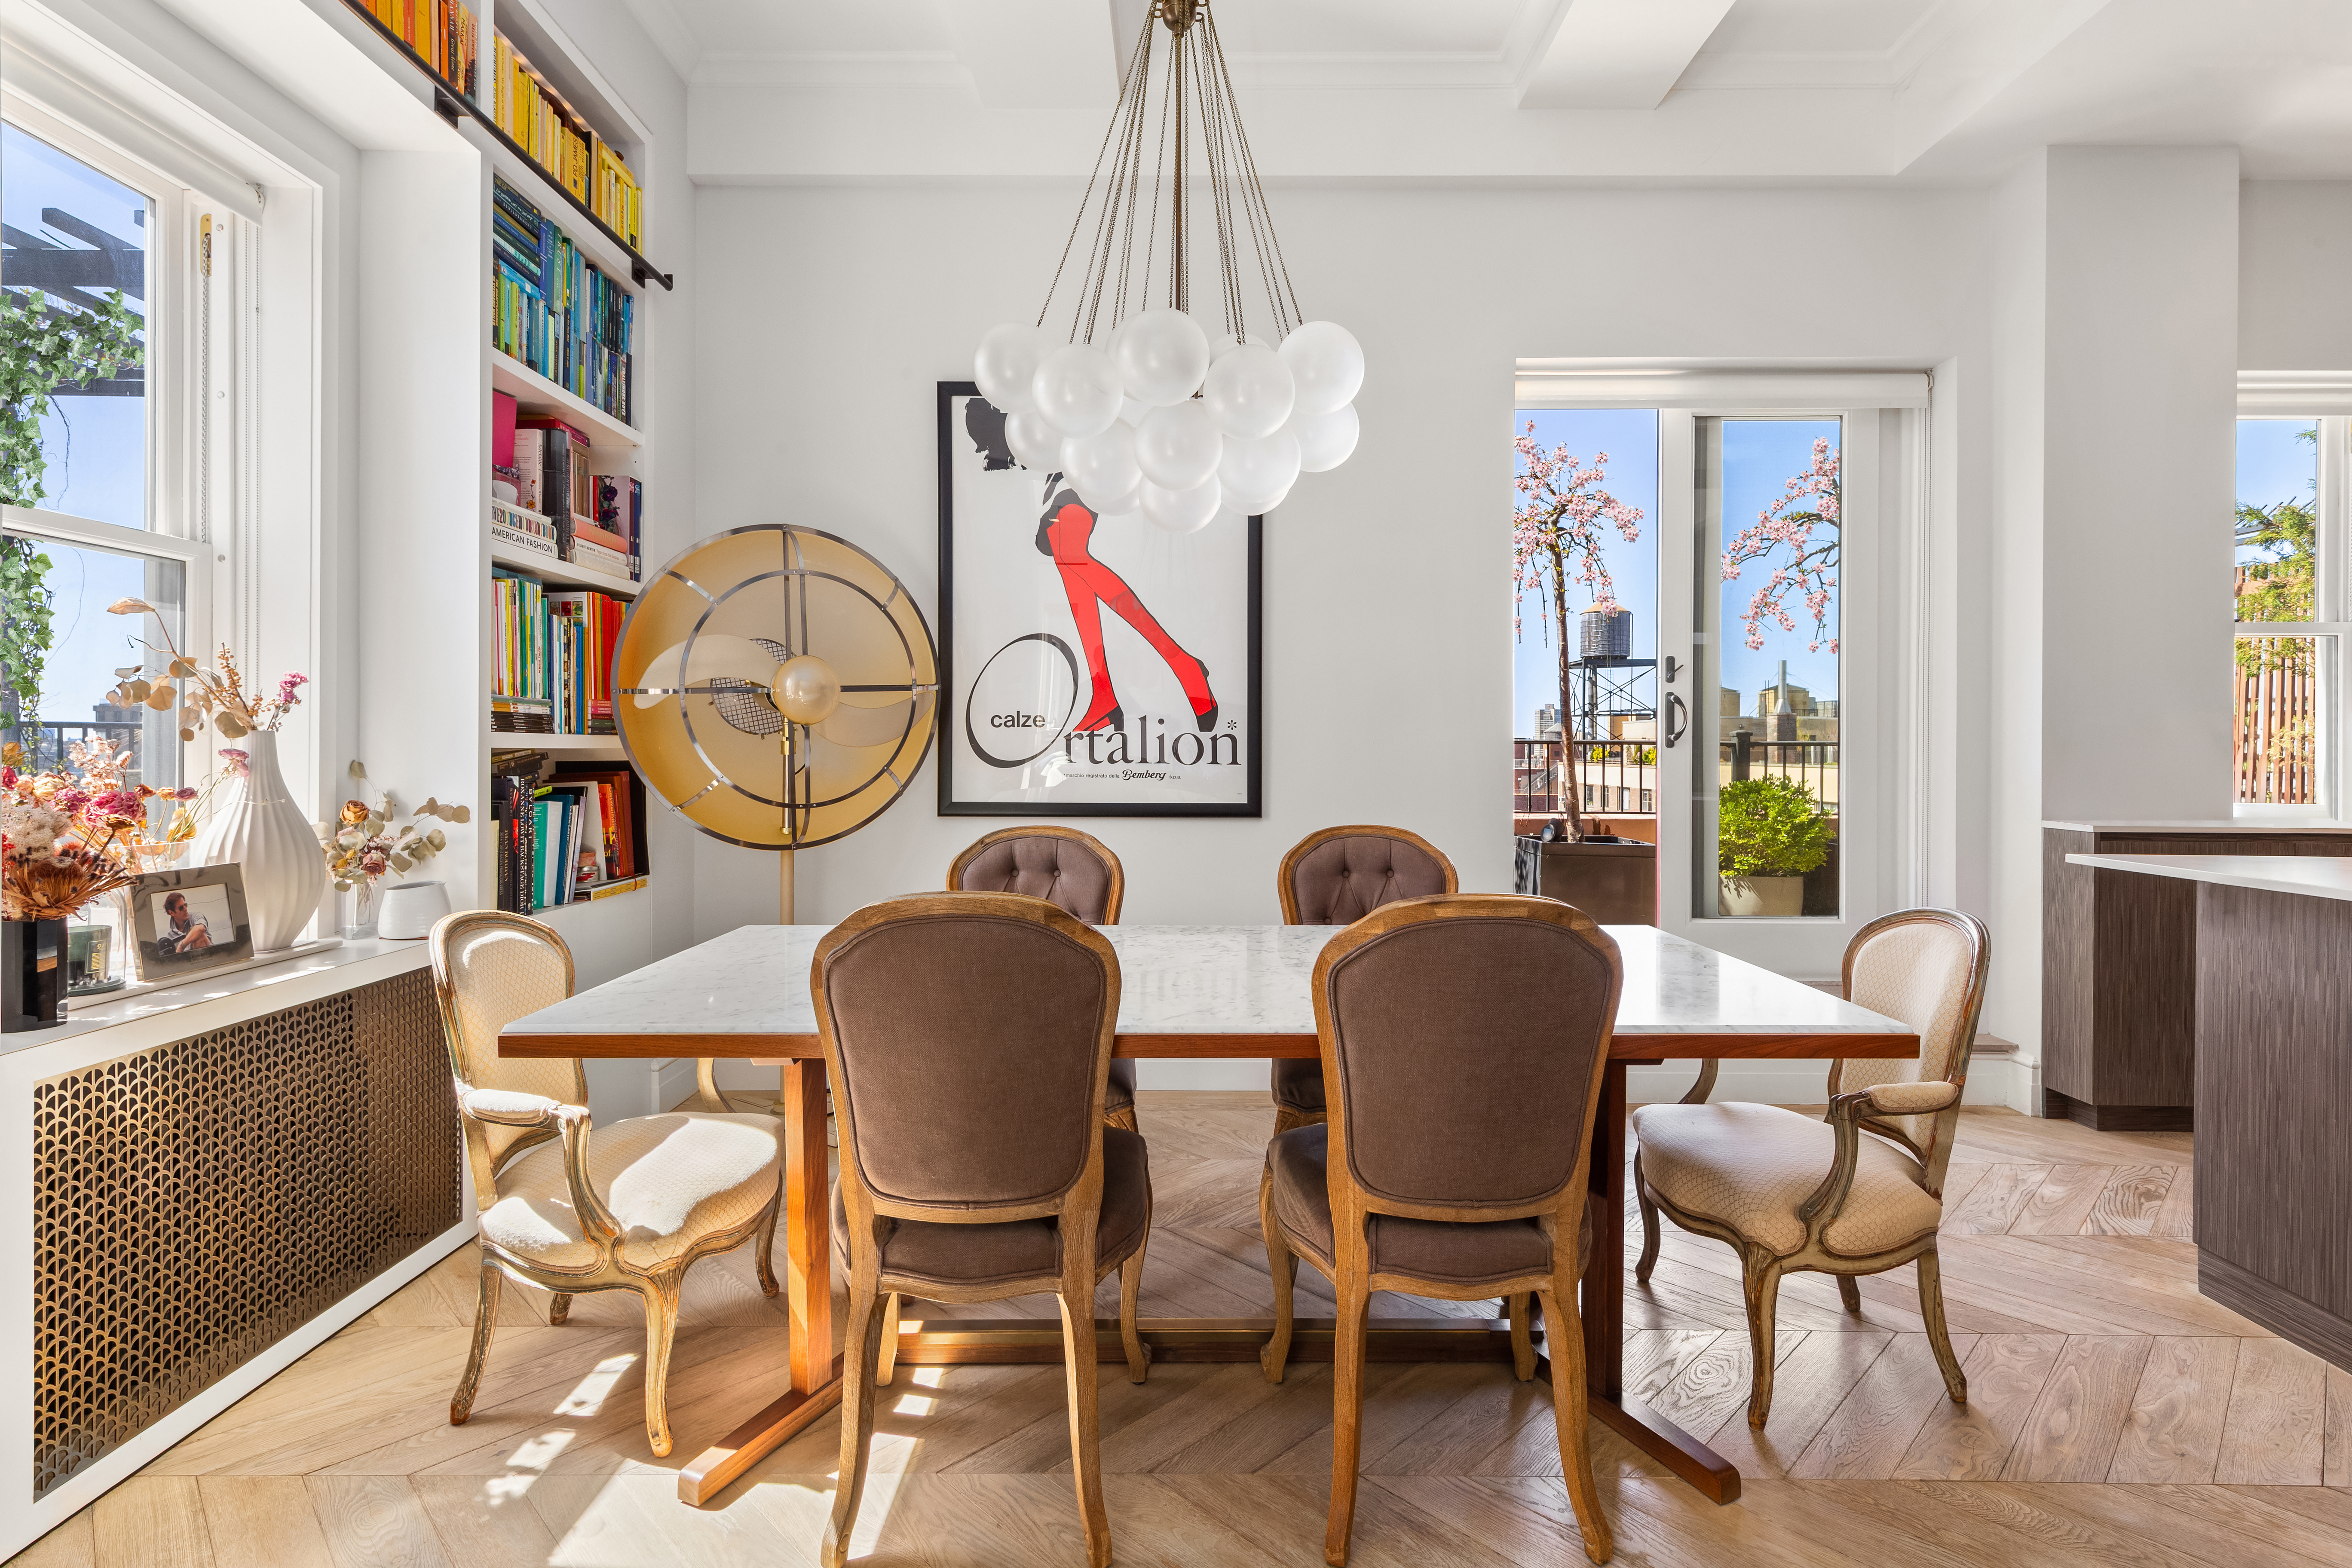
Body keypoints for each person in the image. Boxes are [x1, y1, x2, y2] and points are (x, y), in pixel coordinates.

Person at [964, 397, 1220, 736]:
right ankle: (1105, 692)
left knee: (1069, 554)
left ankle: (1178, 665)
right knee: (1067, 559)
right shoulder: (1039, 428)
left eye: (986, 447)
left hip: (1088, 464)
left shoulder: (1051, 413)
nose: (989, 457)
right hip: (1072, 470)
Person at [157, 891, 212, 956]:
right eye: (181, 908)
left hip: (210, 956)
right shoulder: (171, 937)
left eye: (185, 905)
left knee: (199, 936)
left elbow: (201, 929)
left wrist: (181, 945)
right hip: (187, 962)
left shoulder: (196, 917)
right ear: (172, 913)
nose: (185, 909)